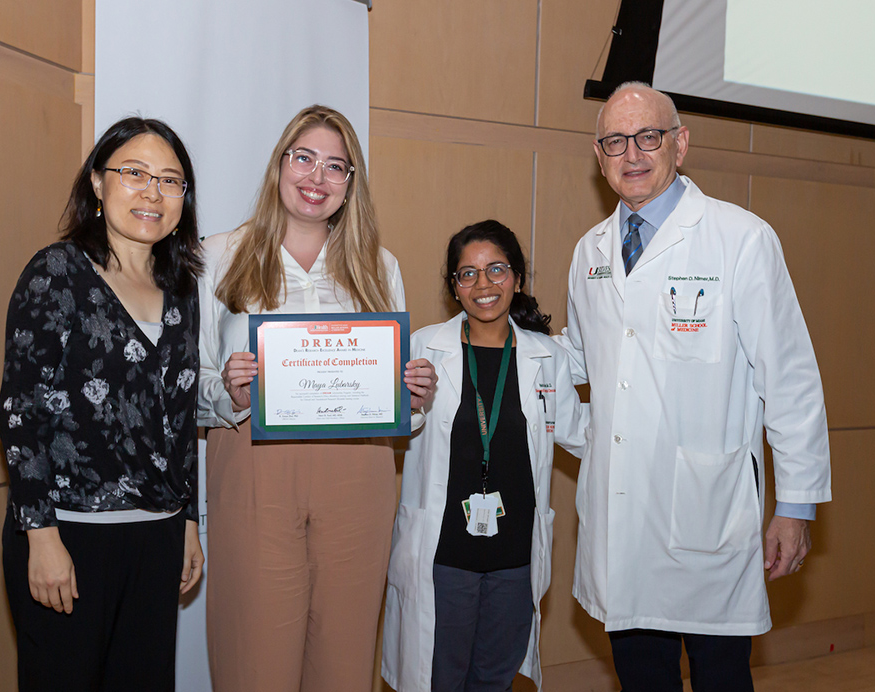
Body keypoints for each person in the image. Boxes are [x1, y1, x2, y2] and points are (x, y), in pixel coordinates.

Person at [557, 81, 832, 691]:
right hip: (623, 517)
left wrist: (794, 506)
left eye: (647, 137)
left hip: (707, 514)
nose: (632, 154)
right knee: (641, 677)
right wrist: (504, 345)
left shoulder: (741, 239)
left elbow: (788, 376)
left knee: (721, 677)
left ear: (679, 144)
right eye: (614, 142)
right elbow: (582, 359)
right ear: (598, 157)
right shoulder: (590, 253)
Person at [198, 104, 436, 692]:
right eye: (304, 158)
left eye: (336, 167)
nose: (316, 178)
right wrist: (227, 388)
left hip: (359, 474)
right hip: (254, 468)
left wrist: (417, 396)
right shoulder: (218, 256)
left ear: (351, 184)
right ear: (280, 164)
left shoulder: (379, 267)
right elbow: (189, 385)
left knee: (344, 655)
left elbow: (396, 400)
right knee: (254, 655)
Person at [0, 117, 204, 691]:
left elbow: (181, 420)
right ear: (96, 181)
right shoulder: (57, 272)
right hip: (70, 534)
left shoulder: (182, 289)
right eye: (134, 173)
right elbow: (22, 412)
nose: (153, 193)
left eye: (171, 181)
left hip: (157, 537)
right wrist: (40, 537)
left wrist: (188, 520)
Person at [381, 220, 588, 692]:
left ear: (516, 277)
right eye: (467, 274)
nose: (483, 284)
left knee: (494, 679)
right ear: (454, 288)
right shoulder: (423, 348)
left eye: (496, 269)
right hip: (445, 555)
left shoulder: (545, 357)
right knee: (440, 678)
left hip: (514, 558)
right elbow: (395, 426)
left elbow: (582, 433)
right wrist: (410, 404)